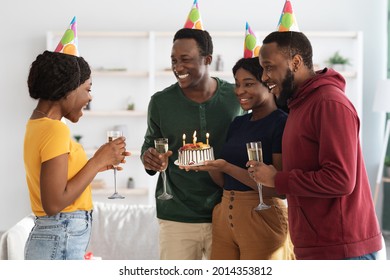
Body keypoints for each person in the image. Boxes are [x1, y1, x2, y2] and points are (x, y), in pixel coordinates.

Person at [247, 31, 382, 260]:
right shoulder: (300, 105)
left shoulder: (329, 103)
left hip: (342, 251)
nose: (264, 76)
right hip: (318, 246)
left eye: (269, 67)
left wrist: (277, 179)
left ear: (296, 62)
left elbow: (340, 179)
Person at [140, 28, 242, 260]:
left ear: (207, 60)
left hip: (227, 212)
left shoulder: (235, 97)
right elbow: (149, 147)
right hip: (177, 215)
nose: (178, 67)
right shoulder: (160, 102)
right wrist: (150, 158)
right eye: (174, 60)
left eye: (185, 60)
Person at [183, 57, 295, 260]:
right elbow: (224, 182)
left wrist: (226, 167)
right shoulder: (238, 123)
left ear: (269, 84)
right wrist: (211, 166)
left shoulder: (282, 123)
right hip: (225, 216)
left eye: (248, 83)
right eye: (237, 83)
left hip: (263, 218)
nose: (239, 90)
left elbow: (276, 189)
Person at [24, 50, 129, 260]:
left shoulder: (38, 124)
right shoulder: (55, 129)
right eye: (88, 89)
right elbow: (53, 203)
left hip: (56, 237)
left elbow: (58, 183)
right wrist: (97, 160)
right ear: (68, 90)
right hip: (59, 234)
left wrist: (99, 165)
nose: (90, 98)